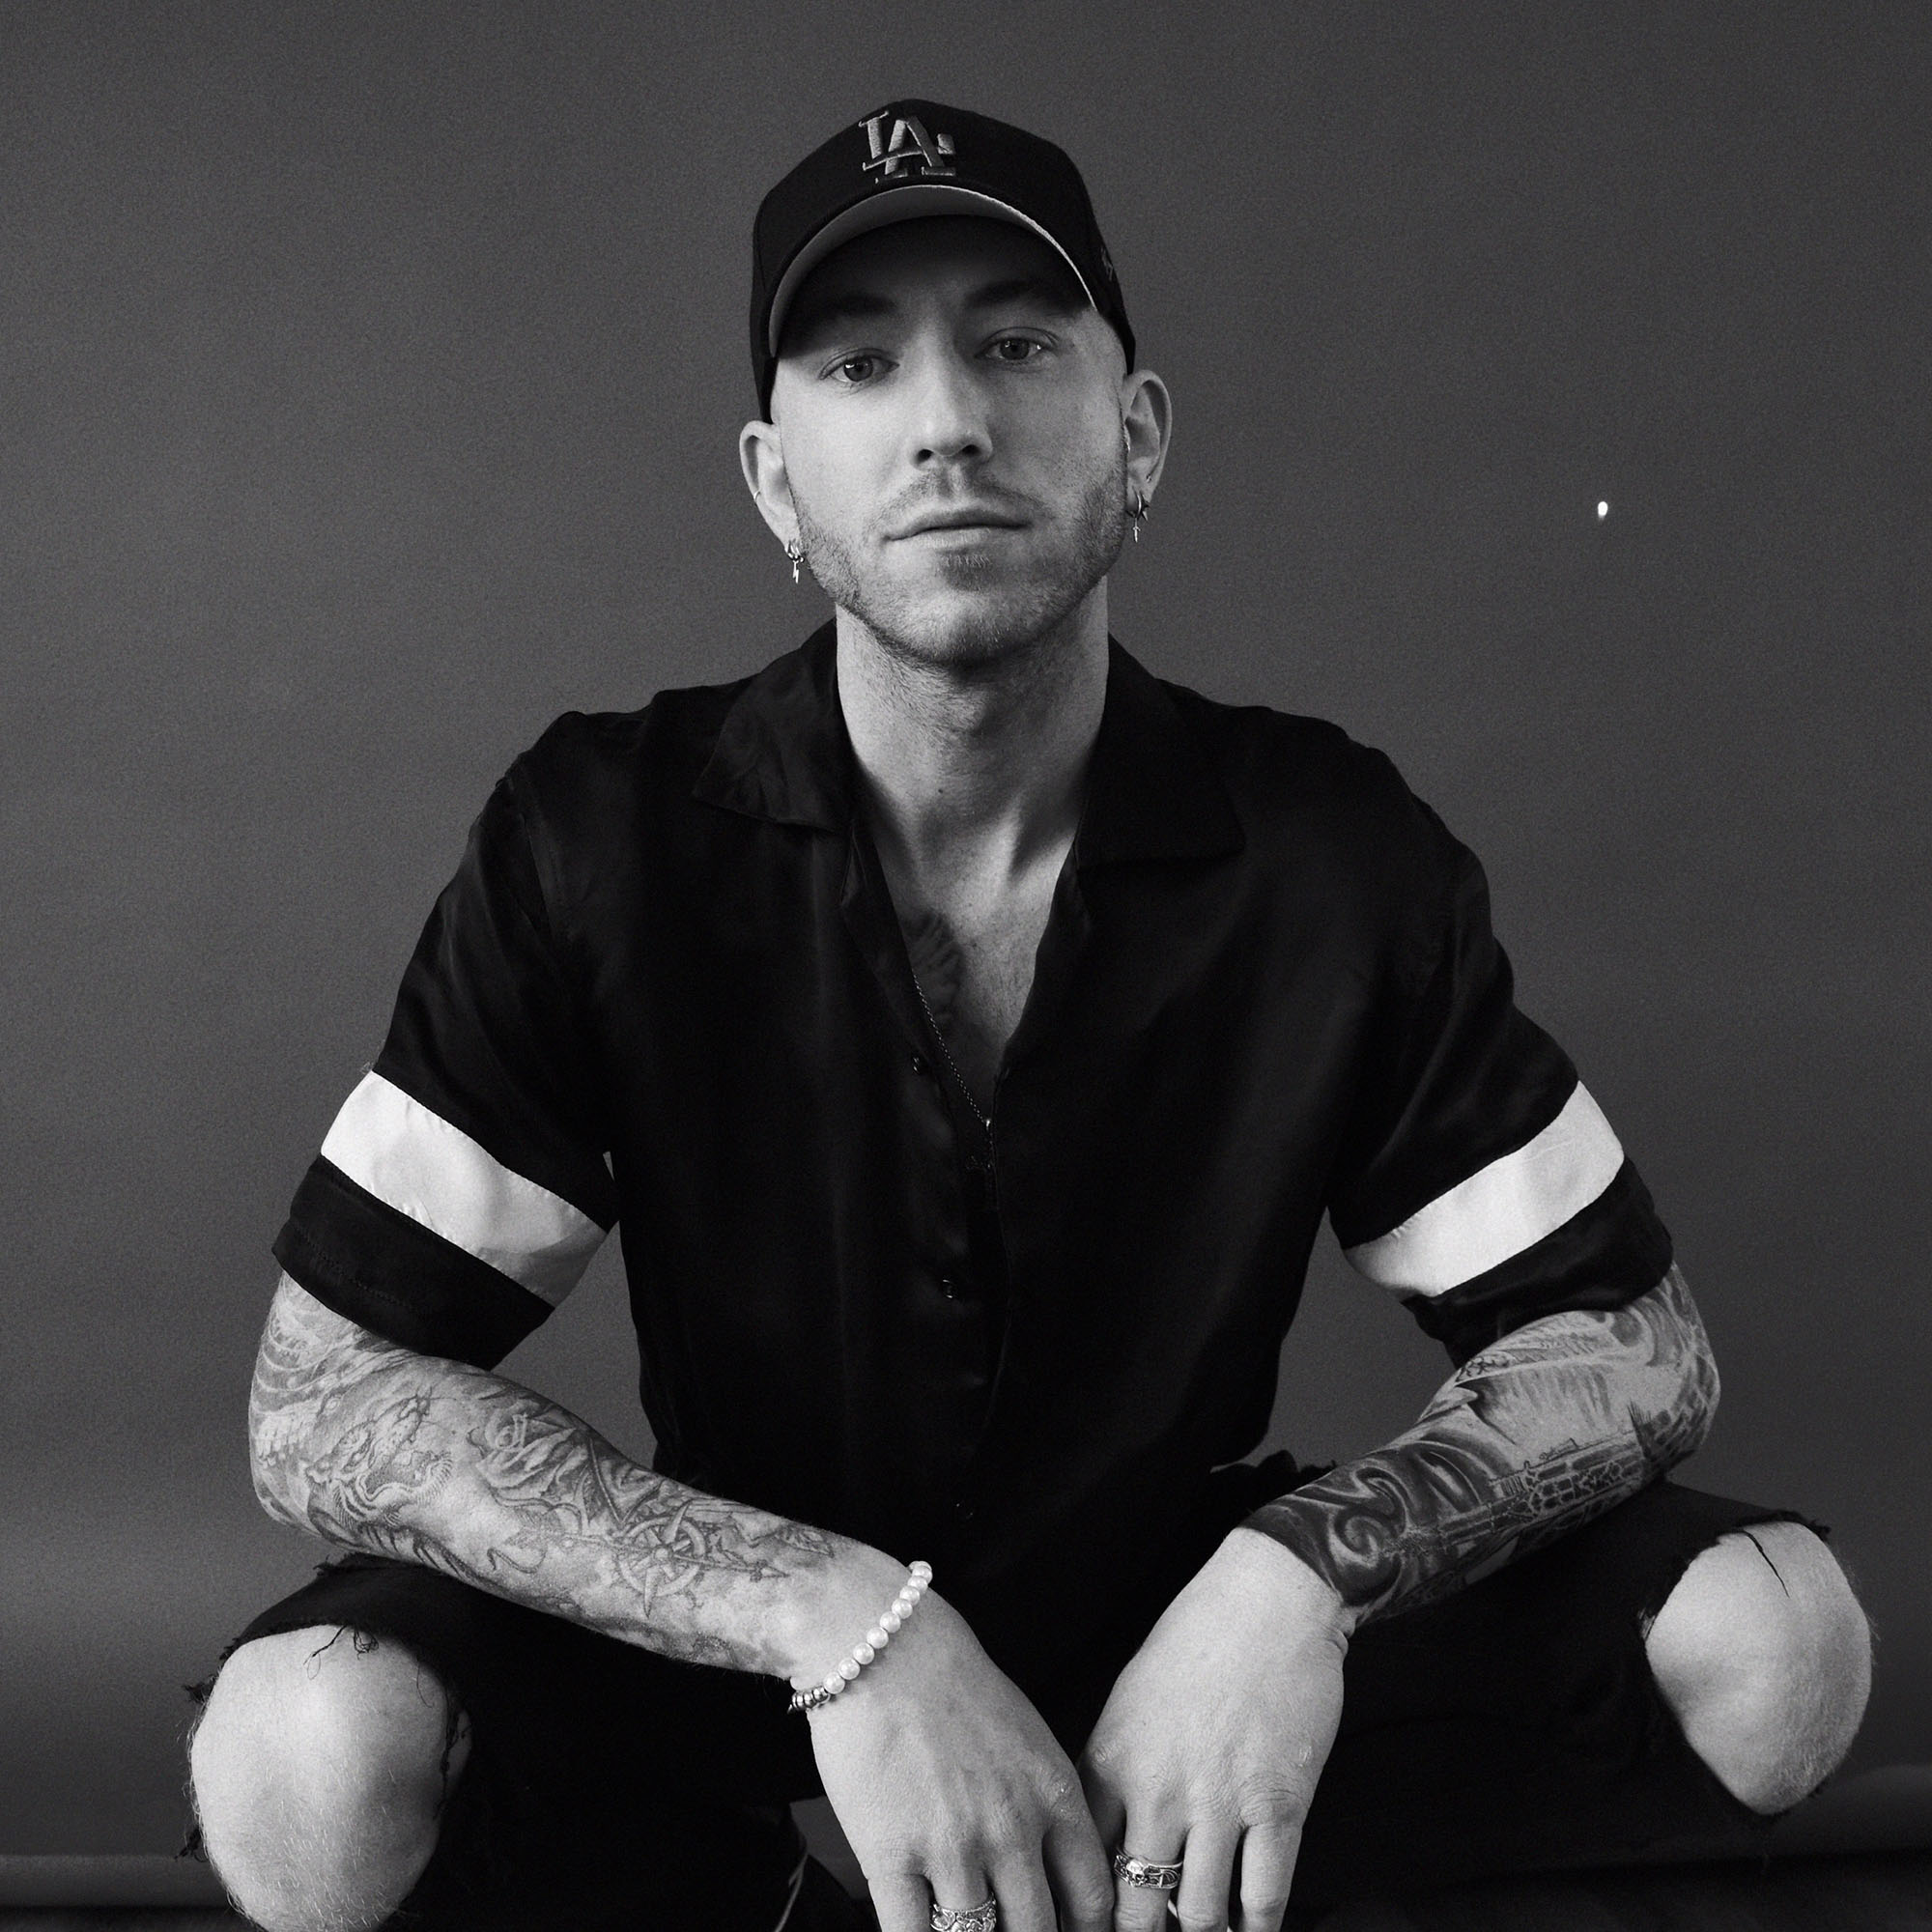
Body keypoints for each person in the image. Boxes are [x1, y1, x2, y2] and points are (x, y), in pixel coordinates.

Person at [185, 101, 1871, 1932]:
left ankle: (1168, 1872)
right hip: (740, 1682)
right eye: (860, 363)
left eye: (1014, 344)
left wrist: (1295, 1585)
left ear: (1136, 437)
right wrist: (836, 1623)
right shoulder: (601, 838)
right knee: (304, 1759)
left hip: (1186, 1649)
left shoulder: (1326, 853)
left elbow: (1636, 1339)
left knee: (1778, 1646)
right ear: (775, 483)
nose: (947, 422)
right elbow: (323, 1398)